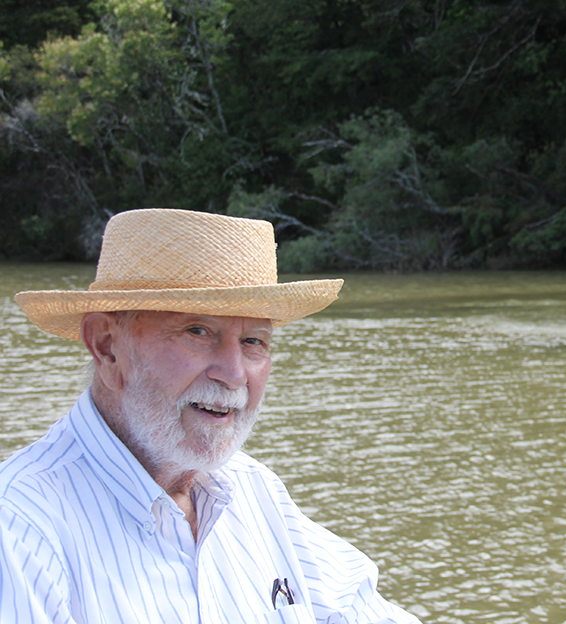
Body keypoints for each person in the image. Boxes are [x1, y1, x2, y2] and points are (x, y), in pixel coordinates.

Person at [0, 209, 421, 623]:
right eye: (198, 332)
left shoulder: (256, 493)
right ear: (107, 345)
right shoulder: (19, 528)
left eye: (254, 340)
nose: (234, 374)